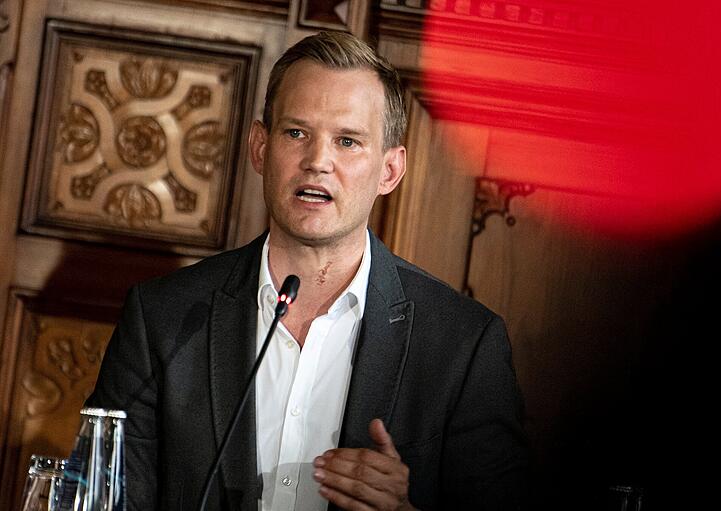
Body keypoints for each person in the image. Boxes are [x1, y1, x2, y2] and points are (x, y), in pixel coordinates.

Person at [87, 31, 529, 510]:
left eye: (348, 141)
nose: (318, 162)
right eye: (296, 133)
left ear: (390, 171)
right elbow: (104, 498)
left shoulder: (463, 345)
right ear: (260, 147)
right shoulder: (162, 318)